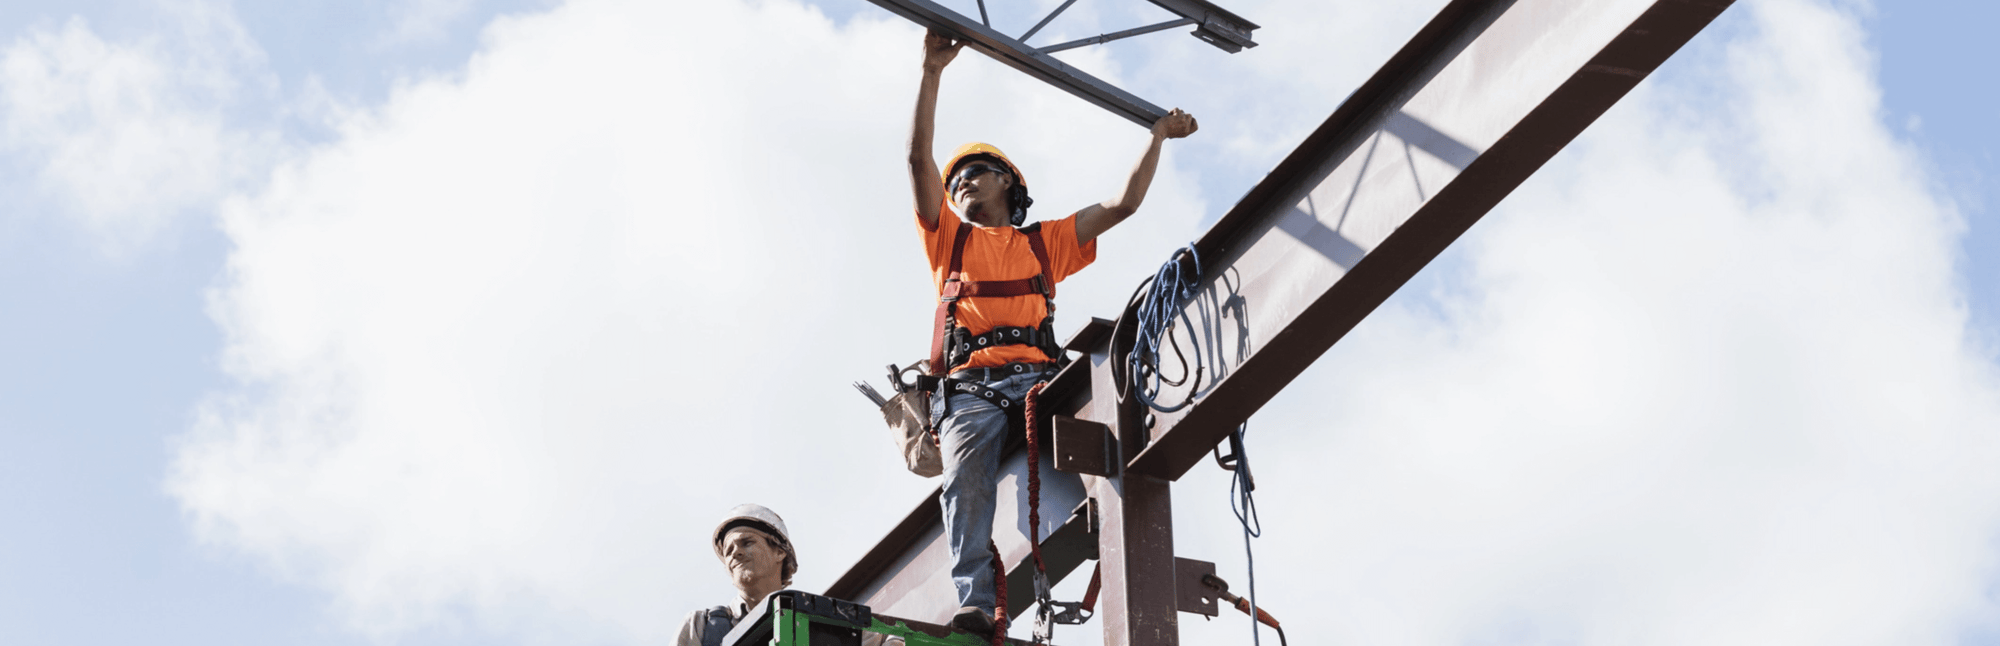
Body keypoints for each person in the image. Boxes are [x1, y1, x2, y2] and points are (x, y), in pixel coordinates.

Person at [907, 28, 1198, 636]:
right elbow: (917, 158)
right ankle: (977, 601)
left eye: (978, 173)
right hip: (973, 390)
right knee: (964, 481)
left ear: (1008, 184)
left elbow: (1122, 206)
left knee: (1112, 444)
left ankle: (1119, 534)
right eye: (957, 177)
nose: (963, 182)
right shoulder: (948, 239)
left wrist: (1157, 140)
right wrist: (931, 72)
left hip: (1042, 379)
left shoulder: (1044, 243)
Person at [675, 504, 798, 646]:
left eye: (747, 542)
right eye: (728, 551)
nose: (735, 553)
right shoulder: (700, 627)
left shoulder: (809, 624)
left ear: (779, 551)